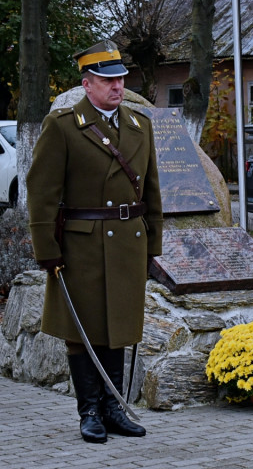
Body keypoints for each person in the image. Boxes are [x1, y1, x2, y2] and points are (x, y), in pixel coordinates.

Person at [27, 40, 163, 443]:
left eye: (120, 79)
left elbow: (151, 192)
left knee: (118, 326)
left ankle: (114, 408)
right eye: (107, 80)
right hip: (81, 245)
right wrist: (46, 251)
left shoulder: (141, 126)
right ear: (87, 84)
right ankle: (89, 412)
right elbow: (41, 191)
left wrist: (153, 248)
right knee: (83, 330)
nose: (117, 87)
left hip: (127, 242)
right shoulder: (64, 126)